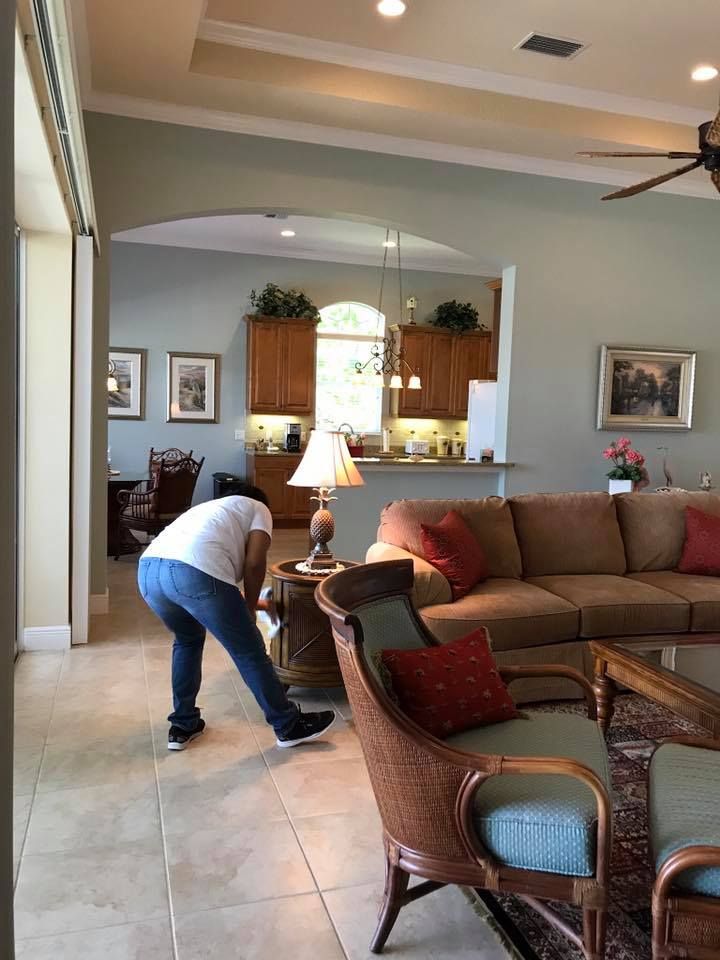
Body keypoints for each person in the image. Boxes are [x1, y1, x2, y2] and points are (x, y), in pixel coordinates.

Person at [137, 487, 336, 751]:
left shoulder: (210, 510)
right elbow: (254, 564)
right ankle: (288, 725)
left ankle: (183, 724)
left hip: (148, 572)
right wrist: (250, 609)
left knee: (187, 641)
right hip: (193, 572)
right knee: (249, 651)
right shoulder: (259, 508)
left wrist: (251, 604)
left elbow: (211, 582)